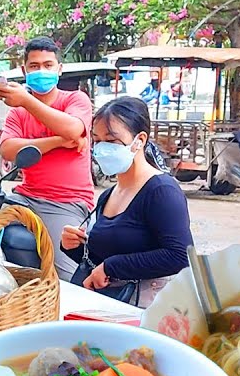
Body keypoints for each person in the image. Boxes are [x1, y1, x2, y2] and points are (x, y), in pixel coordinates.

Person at [60, 97, 193, 307]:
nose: (101, 148)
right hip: (106, 303)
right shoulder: (108, 194)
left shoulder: (161, 191)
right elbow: (101, 258)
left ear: (139, 140)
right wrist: (73, 246)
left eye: (111, 140)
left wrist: (112, 267)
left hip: (143, 309)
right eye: (97, 140)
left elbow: (179, 256)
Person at [0, 36, 94, 280]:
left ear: (59, 69)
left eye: (48, 65)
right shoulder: (18, 113)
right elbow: (8, 150)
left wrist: (26, 100)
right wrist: (58, 141)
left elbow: (73, 128)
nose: (41, 71)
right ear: (24, 70)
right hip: (25, 197)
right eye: (35, 66)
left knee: (68, 278)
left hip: (67, 202)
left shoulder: (74, 99)